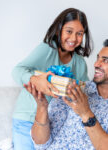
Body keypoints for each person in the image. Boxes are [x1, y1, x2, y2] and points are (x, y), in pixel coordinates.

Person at [11, 8, 92, 150]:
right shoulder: (47, 49)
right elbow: (17, 70)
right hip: (28, 119)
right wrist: (35, 79)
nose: (73, 38)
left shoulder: (79, 63)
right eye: (69, 31)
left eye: (79, 34)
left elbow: (86, 91)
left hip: (54, 124)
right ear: (58, 29)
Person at [24, 39, 108, 150]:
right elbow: (41, 144)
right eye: (97, 59)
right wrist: (42, 107)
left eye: (105, 60)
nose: (96, 64)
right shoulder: (75, 89)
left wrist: (85, 113)